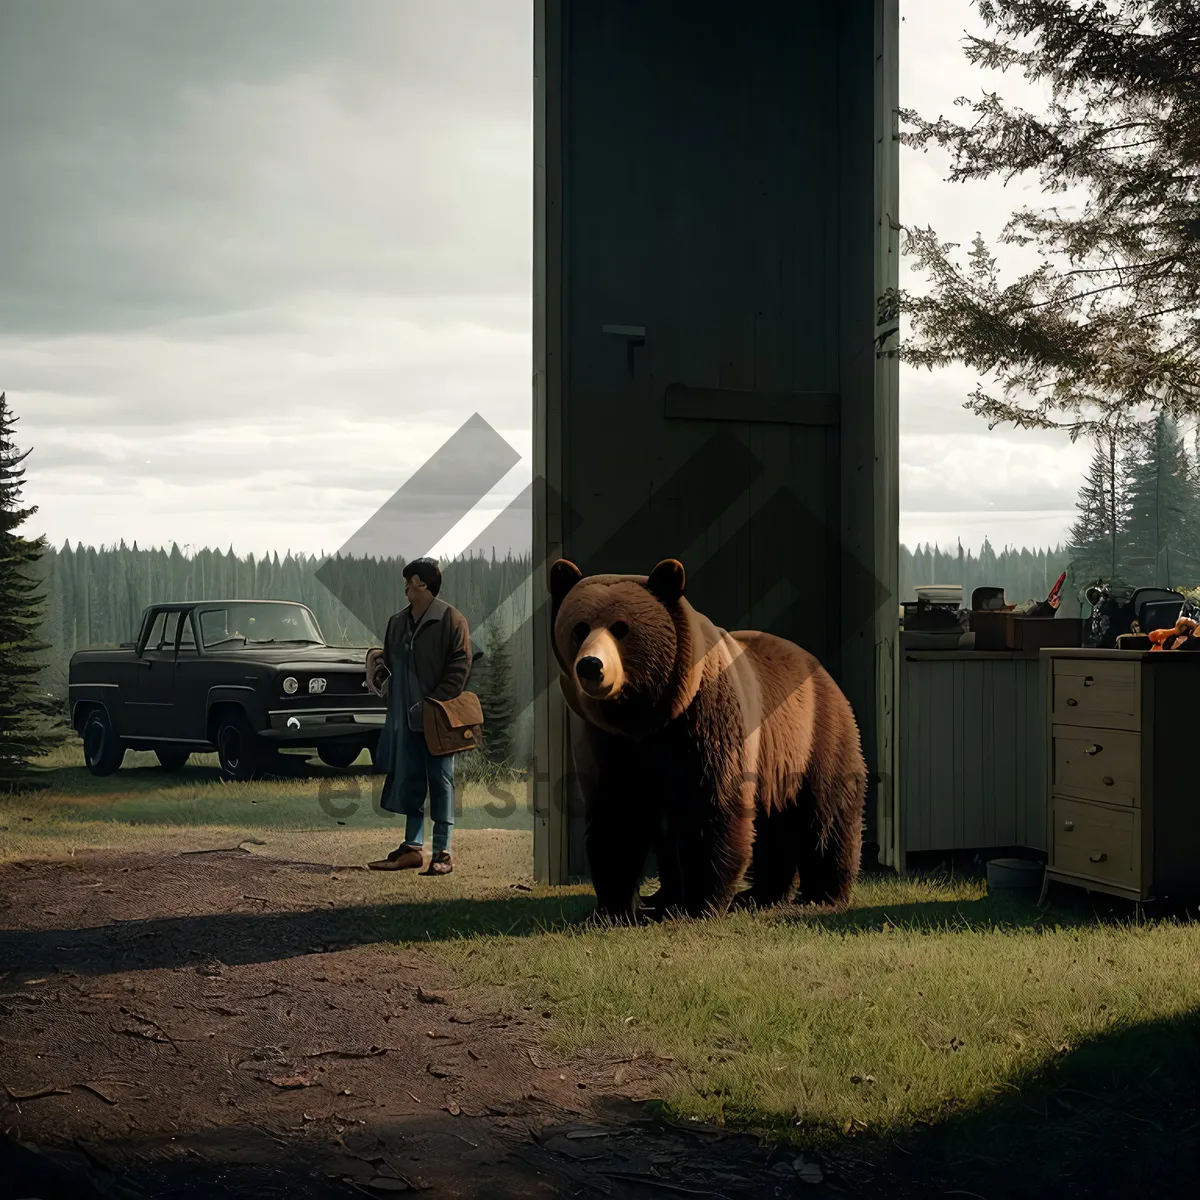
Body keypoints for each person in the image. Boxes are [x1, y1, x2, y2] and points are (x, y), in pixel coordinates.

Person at [364, 557, 472, 875]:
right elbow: (392, 663)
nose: (406, 587)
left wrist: (432, 703)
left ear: (422, 583)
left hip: (439, 718)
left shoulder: (452, 620)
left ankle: (443, 852)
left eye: (409, 581)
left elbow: (459, 667)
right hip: (405, 719)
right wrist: (376, 667)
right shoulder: (397, 622)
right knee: (409, 779)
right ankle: (412, 848)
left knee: (441, 781)